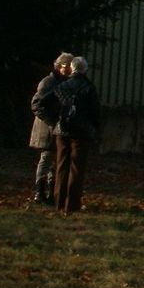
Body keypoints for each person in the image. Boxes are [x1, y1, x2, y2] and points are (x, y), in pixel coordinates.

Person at [52, 56, 102, 214]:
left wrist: (54, 121)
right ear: (85, 69)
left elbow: (48, 103)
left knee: (61, 166)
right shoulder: (88, 87)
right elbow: (95, 112)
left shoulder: (62, 86)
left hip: (62, 130)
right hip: (81, 132)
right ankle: (71, 204)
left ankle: (58, 201)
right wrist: (94, 127)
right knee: (76, 168)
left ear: (71, 69)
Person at [29, 52, 73, 205]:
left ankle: (50, 193)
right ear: (60, 66)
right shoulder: (48, 82)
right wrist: (52, 122)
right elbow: (37, 105)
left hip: (56, 127)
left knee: (54, 161)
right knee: (47, 159)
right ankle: (39, 193)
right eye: (68, 67)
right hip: (47, 128)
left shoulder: (63, 83)